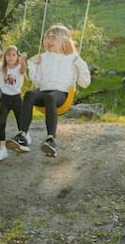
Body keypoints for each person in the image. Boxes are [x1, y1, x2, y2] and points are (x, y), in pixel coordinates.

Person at [6, 24, 90, 158]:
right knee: (29, 94)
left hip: (62, 94)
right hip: (44, 91)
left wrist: (80, 64)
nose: (49, 40)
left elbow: (84, 83)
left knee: (50, 97)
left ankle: (51, 139)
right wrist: (32, 64)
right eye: (47, 37)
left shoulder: (72, 58)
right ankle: (22, 136)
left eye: (53, 37)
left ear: (63, 39)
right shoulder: (43, 57)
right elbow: (37, 82)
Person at [0, 46, 27, 161]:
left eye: (13, 55)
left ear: (17, 57)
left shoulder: (19, 67)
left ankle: (23, 138)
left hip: (17, 99)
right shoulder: (2, 67)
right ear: (5, 57)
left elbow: (23, 70)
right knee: (1, 123)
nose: (10, 57)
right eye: (8, 55)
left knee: (21, 123)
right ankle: (2, 149)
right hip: (5, 99)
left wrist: (23, 60)